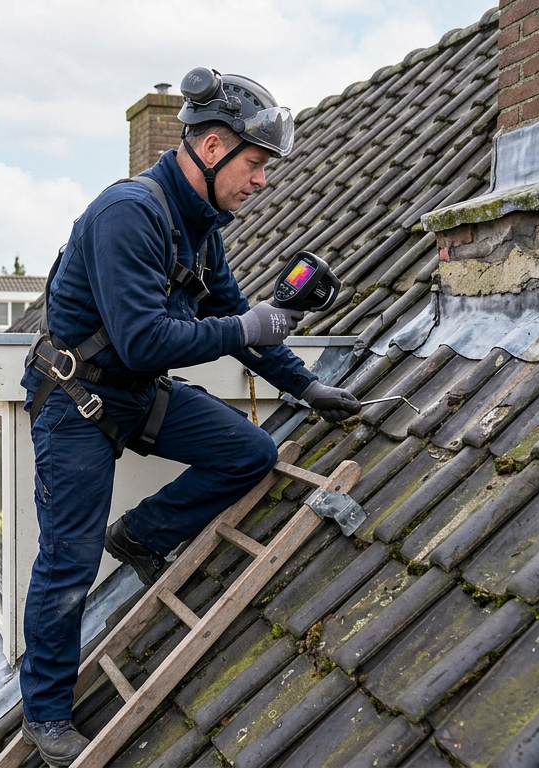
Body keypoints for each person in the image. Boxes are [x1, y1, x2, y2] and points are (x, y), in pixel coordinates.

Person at [18, 68, 362, 766]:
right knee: (68, 563)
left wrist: (305, 387)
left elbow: (238, 321)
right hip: (77, 402)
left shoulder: (202, 228)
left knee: (250, 453)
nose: (262, 181)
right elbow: (148, 337)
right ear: (211, 147)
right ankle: (45, 715)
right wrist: (246, 329)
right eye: (256, 163)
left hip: (137, 392)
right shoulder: (129, 214)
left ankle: (141, 536)